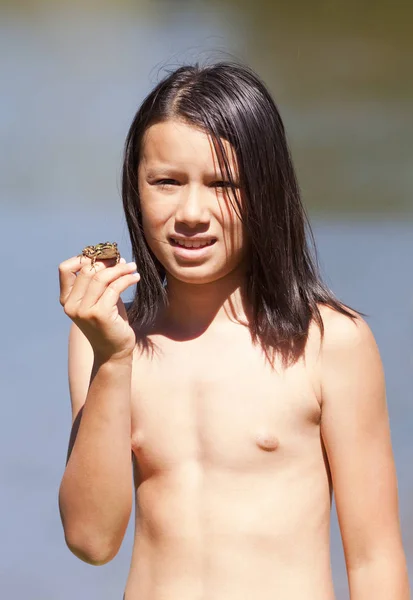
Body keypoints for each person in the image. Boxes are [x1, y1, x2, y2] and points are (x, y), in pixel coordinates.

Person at [58, 62, 409, 600]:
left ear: (267, 191)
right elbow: (91, 540)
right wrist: (114, 359)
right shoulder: (104, 337)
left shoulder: (328, 341)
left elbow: (374, 559)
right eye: (166, 182)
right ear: (135, 189)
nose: (191, 212)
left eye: (223, 184)